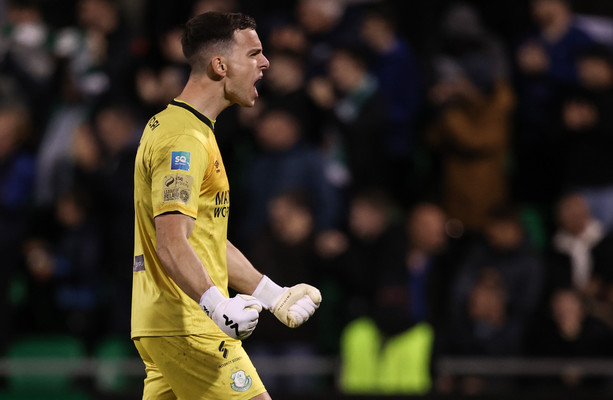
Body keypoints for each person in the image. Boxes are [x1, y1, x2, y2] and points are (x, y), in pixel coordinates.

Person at [131, 12, 322, 400]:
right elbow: (171, 242)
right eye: (254, 53)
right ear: (220, 66)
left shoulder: (186, 129)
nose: (265, 63)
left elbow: (202, 238)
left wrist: (271, 294)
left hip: (169, 322)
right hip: (189, 326)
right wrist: (217, 305)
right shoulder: (183, 140)